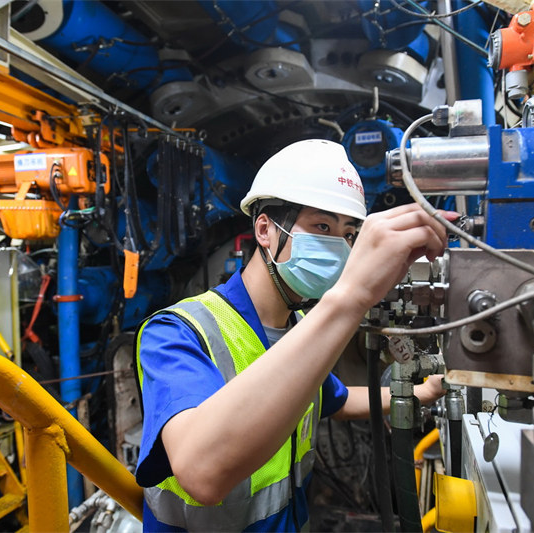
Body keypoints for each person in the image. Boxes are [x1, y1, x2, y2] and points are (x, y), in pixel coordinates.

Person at [134, 139, 457, 531]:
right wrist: (349, 298)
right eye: (322, 226)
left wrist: (423, 391)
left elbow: (332, 399)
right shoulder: (176, 332)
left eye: (348, 234)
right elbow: (202, 474)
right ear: (265, 230)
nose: (338, 247)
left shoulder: (301, 324)